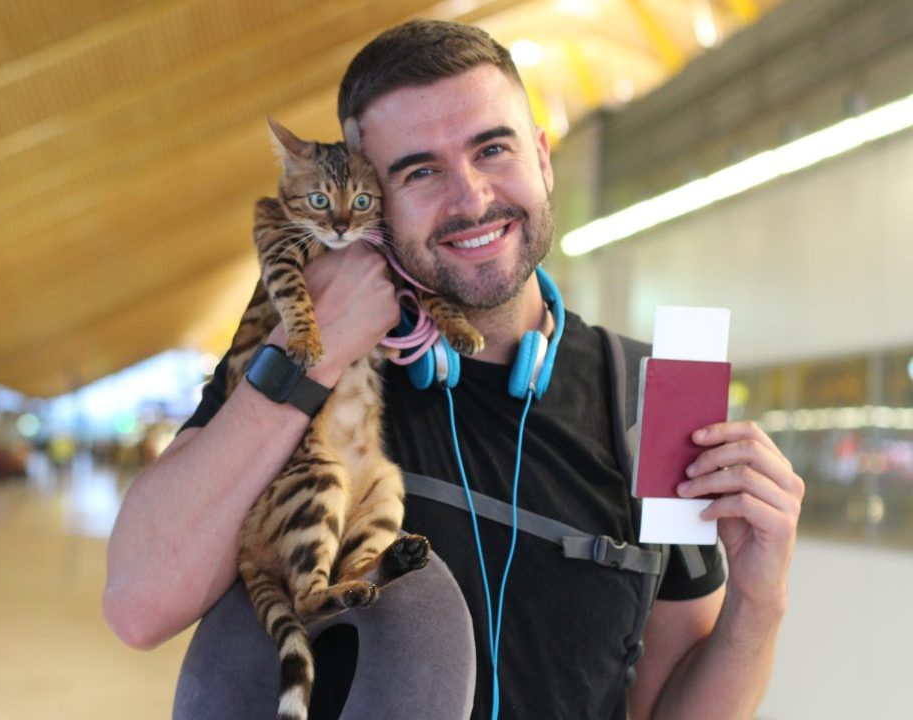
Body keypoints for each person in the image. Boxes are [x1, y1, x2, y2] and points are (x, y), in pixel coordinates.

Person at [104, 19, 803, 719]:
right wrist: (309, 360)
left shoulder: (652, 394)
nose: (470, 198)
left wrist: (760, 600)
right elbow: (139, 604)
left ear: (541, 159)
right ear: (370, 194)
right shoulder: (298, 347)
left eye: (492, 149)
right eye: (420, 171)